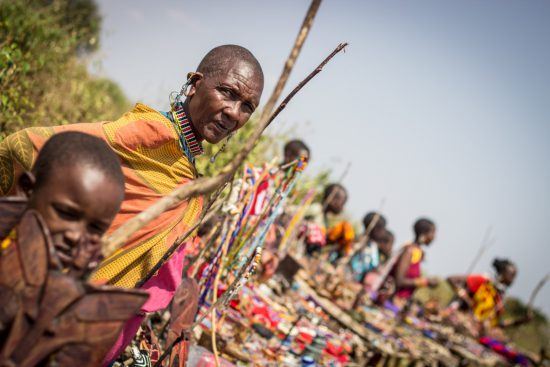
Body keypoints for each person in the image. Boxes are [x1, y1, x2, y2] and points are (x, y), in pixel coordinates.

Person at [0, 44, 264, 362]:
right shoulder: (150, 136)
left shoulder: (188, 170)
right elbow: (23, 146)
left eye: (247, 106)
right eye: (228, 92)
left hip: (91, 328)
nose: (234, 113)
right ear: (195, 84)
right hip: (49, 311)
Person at [0, 132, 147, 366]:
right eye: (66, 213)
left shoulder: (68, 301)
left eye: (95, 229)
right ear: (28, 190)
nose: (75, 236)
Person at [391, 218, 438, 306]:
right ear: (423, 234)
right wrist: (425, 282)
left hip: (402, 302)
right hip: (392, 301)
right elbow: (399, 281)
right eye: (432, 233)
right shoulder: (409, 251)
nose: (434, 237)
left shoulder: (418, 252)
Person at [348, 212, 387, 283]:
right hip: (348, 278)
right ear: (375, 228)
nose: (384, 232)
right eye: (382, 228)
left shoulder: (373, 246)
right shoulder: (359, 241)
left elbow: (373, 266)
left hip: (357, 282)